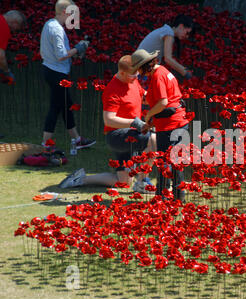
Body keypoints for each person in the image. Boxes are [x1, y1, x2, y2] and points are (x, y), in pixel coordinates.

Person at [59, 54, 156, 193]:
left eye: (136, 75)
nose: (136, 78)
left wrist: (163, 101)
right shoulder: (112, 89)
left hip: (131, 132)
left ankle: (81, 179)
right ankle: (142, 182)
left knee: (123, 182)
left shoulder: (132, 80)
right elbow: (109, 119)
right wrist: (135, 123)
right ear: (122, 72)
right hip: (117, 136)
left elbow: (144, 97)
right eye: (132, 75)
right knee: (153, 141)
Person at [131, 49, 190, 201]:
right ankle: (176, 196)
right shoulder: (163, 71)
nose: (139, 73)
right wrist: (150, 123)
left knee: (166, 161)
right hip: (176, 121)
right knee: (173, 161)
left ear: (145, 66)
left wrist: (149, 115)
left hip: (172, 124)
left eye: (138, 69)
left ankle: (163, 197)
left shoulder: (157, 76)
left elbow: (163, 102)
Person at [40, 0, 95, 149]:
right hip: (57, 72)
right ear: (65, 11)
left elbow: (57, 53)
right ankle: (46, 144)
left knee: (66, 106)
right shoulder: (57, 29)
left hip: (52, 70)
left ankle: (76, 140)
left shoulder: (49, 24)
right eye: (73, 12)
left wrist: (76, 52)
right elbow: (61, 55)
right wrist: (78, 48)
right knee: (56, 107)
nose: (75, 16)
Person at [138, 14, 194, 80]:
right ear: (181, 26)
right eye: (187, 33)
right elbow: (168, 59)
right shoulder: (169, 33)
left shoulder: (166, 30)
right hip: (141, 69)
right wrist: (185, 72)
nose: (187, 36)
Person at [0, 10, 27, 138]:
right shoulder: (4, 27)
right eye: (18, 28)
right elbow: (0, 55)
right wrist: (7, 72)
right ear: (15, 22)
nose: (16, 31)